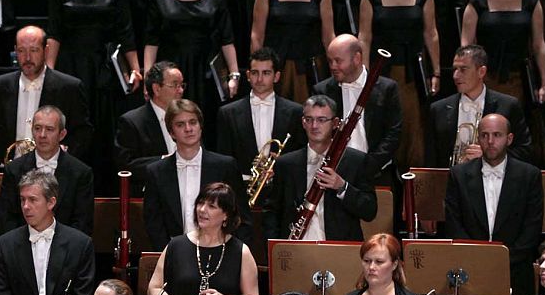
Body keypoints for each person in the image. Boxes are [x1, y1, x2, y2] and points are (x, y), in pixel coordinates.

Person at [443, 112, 544, 295]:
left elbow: (532, 229)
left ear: (509, 138)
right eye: (485, 135)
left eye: (497, 135)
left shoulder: (529, 175)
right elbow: (454, 224)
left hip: (513, 274)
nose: (490, 141)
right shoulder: (458, 174)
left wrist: (501, 262)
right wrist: (479, 262)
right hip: (472, 277)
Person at [44, 0, 138, 179]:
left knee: (104, 131)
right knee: (74, 130)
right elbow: (54, 33)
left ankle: (105, 194)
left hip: (104, 70)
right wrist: (49, 73)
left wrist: (136, 68)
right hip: (71, 68)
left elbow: (126, 32)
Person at [360, 0, 440, 171]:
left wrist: (436, 72)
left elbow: (431, 33)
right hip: (380, 72)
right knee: (383, 127)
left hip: (413, 73)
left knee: (413, 128)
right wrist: (363, 74)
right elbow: (364, 37)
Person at [148, 0, 241, 128]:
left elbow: (227, 37)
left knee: (207, 124)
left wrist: (234, 74)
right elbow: (151, 39)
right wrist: (150, 79)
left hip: (206, 71)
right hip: (171, 73)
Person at [146, 180, 260, 295]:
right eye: (200, 203)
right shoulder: (176, 245)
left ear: (226, 215)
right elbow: (154, 289)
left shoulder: (241, 251)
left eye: (211, 206)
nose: (202, 210)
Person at [140, 99, 249, 256]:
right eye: (180, 125)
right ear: (171, 132)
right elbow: (153, 223)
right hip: (174, 255)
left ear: (200, 126)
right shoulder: (156, 171)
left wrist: (232, 254)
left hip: (221, 253)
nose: (188, 129)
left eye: (193, 122)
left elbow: (241, 216)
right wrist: (169, 255)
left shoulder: (225, 166)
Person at [0, 25, 91, 171]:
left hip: (53, 174)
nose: (27, 58)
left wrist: (64, 155)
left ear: (46, 50)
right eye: (21, 51)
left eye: (34, 50)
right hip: (8, 175)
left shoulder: (69, 88)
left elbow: (82, 134)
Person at [268, 94, 378, 241]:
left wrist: (342, 187)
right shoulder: (285, 164)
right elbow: (272, 213)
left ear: (335, 123)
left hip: (339, 250)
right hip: (297, 250)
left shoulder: (356, 160)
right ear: (303, 123)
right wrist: (277, 250)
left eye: (321, 120)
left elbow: (369, 211)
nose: (314, 126)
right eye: (309, 119)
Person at [462, 0, 545, 115]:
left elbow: (538, 45)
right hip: (486, 76)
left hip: (520, 77)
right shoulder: (478, 2)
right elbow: (466, 46)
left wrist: (543, 82)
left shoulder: (530, 1)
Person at [213, 48, 305, 208]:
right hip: (241, 193)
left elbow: (301, 152)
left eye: (266, 73)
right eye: (255, 73)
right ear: (248, 76)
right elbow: (224, 158)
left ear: (276, 76)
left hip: (282, 192)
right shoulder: (228, 113)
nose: (260, 79)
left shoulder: (295, 111)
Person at [0, 105, 93, 237]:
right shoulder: (13, 170)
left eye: (49, 129)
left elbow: (82, 223)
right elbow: (4, 218)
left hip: (66, 252)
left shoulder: (80, 173)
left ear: (62, 134)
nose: (42, 135)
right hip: (22, 250)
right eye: (37, 128)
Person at [315, 33, 402, 182]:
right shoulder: (322, 90)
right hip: (336, 173)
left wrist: (369, 166)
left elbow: (393, 134)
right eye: (330, 61)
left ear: (356, 58)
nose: (332, 67)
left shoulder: (387, 88)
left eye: (338, 61)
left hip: (377, 172)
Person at [427, 45, 533, 166]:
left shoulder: (508, 106)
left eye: (463, 69)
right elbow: (431, 159)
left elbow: (525, 152)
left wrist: (489, 155)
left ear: (481, 71)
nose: (455, 76)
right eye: (455, 69)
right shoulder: (438, 109)